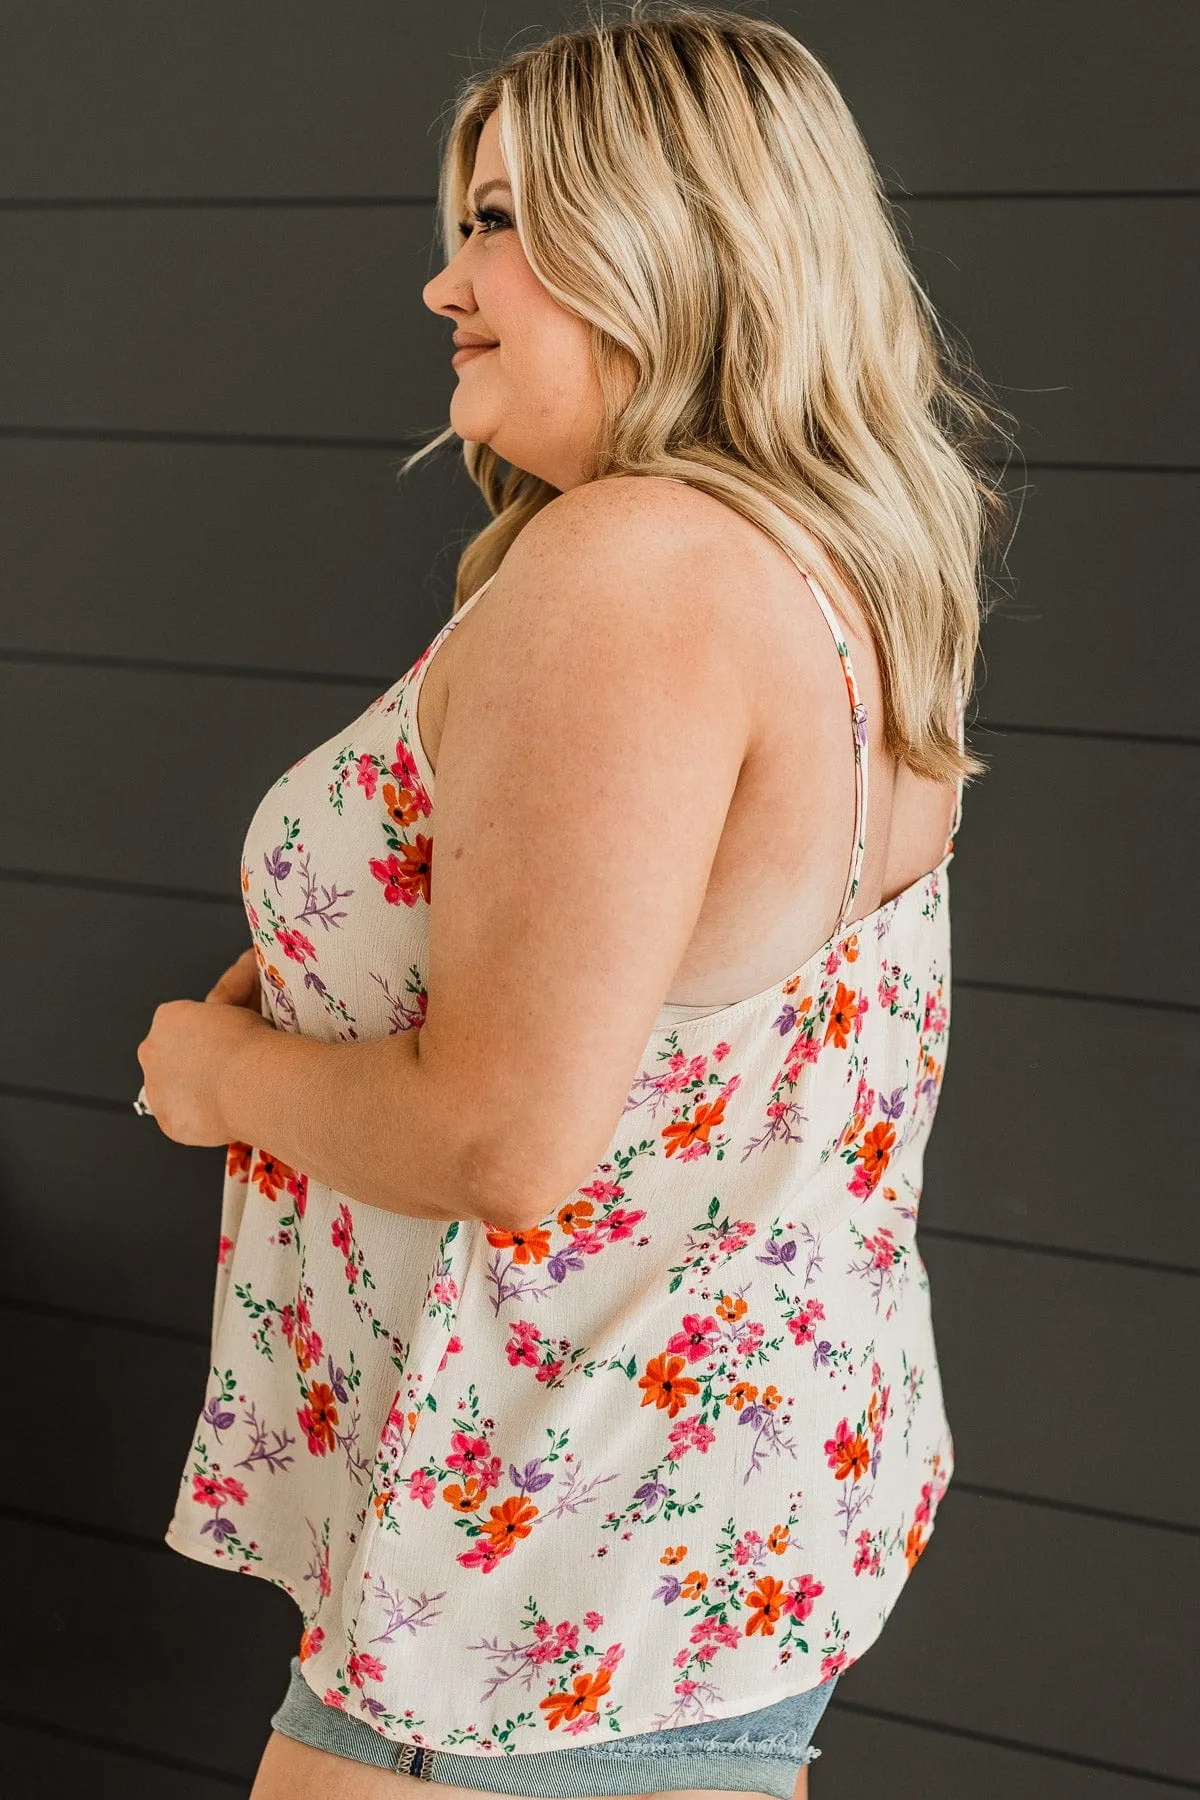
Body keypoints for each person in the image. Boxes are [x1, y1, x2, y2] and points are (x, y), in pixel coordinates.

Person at [139, 6, 1011, 1797]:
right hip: (692, 1558)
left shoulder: (632, 572)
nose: (450, 283)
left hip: (539, 1583)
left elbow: (507, 1133)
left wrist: (215, 1080)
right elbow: (665, 1008)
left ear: (677, 241)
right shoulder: (817, 570)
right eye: (467, 219)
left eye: (508, 223)